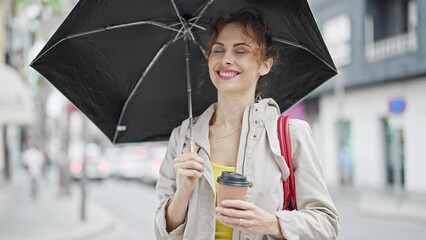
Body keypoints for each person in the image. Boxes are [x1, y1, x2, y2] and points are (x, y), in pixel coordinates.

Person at [155, 8, 339, 240]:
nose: (226, 59)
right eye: (218, 50)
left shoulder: (291, 134)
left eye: (240, 51)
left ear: (265, 65)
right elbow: (163, 234)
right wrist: (182, 192)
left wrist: (270, 223)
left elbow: (326, 225)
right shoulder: (183, 137)